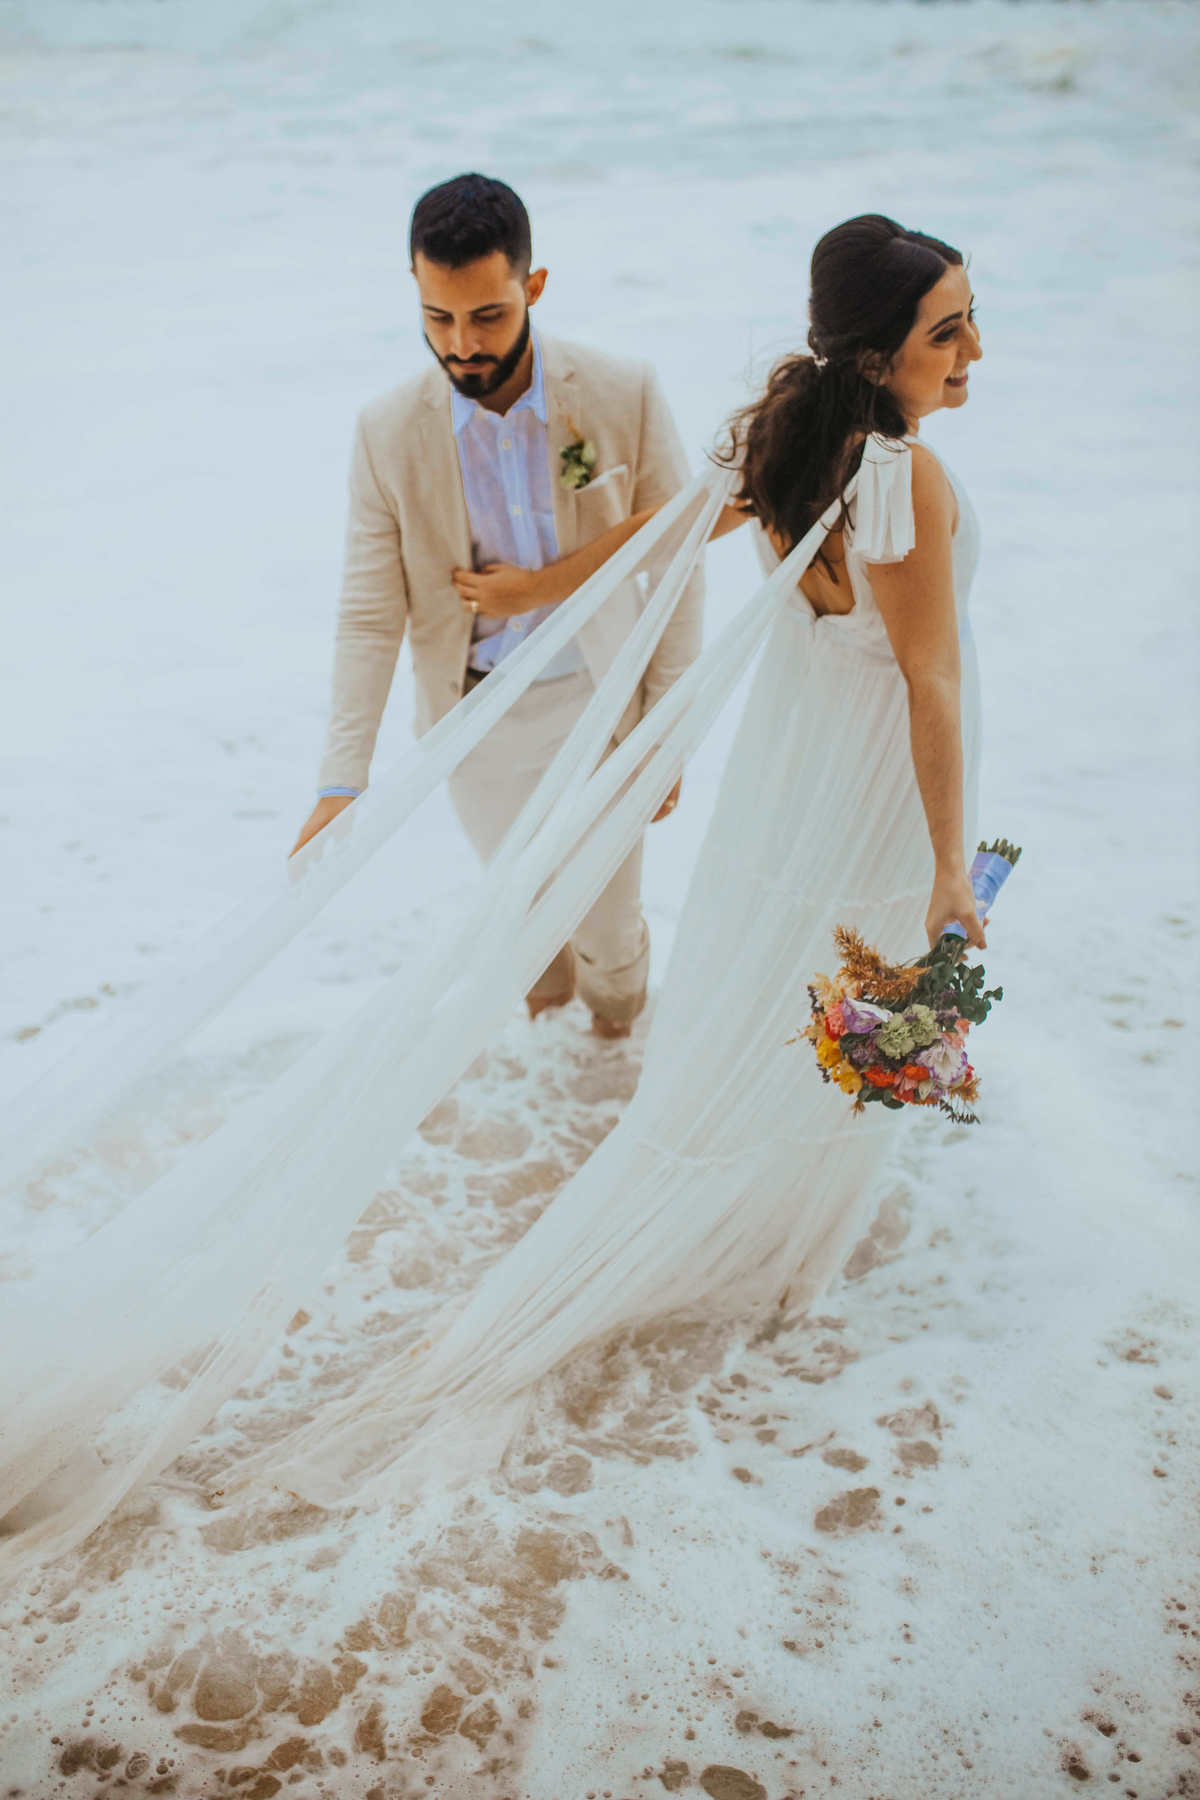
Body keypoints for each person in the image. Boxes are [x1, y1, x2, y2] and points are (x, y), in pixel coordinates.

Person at [227, 211, 989, 1505]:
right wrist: (954, 869)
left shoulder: (787, 441)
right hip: (872, 785)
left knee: (799, 986)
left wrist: (540, 591)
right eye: (948, 331)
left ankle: (766, 1220)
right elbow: (932, 687)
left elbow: (656, 534)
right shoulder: (901, 478)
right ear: (877, 355)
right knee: (872, 996)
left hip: (789, 775)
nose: (973, 352)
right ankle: (796, 1260)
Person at [291, 171, 703, 1037]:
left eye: (488, 316)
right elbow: (370, 614)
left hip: (603, 701)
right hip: (472, 720)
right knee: (521, 919)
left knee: (609, 930)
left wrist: (667, 729)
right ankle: (548, 1100)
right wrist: (341, 780)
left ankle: (615, 1061)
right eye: (438, 318)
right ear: (415, 289)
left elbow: (678, 562)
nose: (462, 345)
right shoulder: (386, 431)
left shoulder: (622, 389)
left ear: (533, 287)